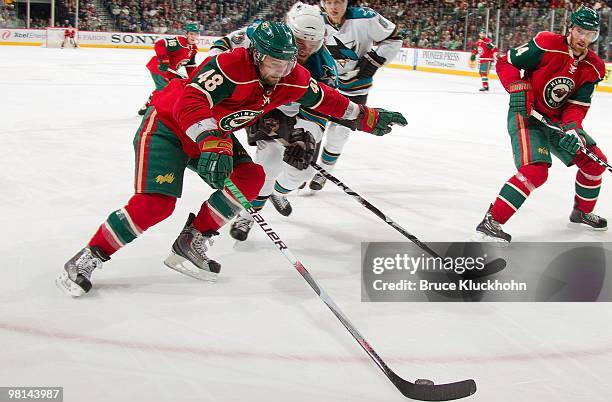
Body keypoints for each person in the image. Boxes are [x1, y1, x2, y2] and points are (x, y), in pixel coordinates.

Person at [56, 21, 407, 297]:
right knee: (156, 204)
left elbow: (327, 100)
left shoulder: (293, 77)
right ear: (256, 54)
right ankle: (87, 258)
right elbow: (188, 102)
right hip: (168, 128)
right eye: (274, 62)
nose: (282, 70)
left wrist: (368, 117)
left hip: (211, 137)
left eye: (288, 63)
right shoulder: (230, 65)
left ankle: (191, 241)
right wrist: (210, 140)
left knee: (251, 177)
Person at [474, 6, 608, 245]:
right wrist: (518, 87)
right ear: (570, 28)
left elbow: (577, 104)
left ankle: (581, 212)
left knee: (594, 164)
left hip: (557, 123)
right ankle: (492, 220)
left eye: (590, 34)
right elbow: (506, 62)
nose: (583, 38)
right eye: (579, 31)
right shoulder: (546, 44)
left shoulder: (594, 66)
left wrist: (573, 128)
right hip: (527, 115)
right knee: (536, 170)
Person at [211, 3, 339, 241]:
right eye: (301, 42)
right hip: (263, 105)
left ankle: (275, 191)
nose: (306, 49)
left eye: (314, 43)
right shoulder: (266, 34)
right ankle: (247, 216)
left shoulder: (325, 68)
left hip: (296, 114)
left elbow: (321, 111)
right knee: (268, 164)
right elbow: (222, 46)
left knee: (300, 174)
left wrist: (306, 135)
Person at [307, 0, 402, 191]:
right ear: (322, 3)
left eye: (339, 1)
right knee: (310, 127)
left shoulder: (366, 17)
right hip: (324, 85)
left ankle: (324, 171)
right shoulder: (313, 19)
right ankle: (302, 168)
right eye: (330, 2)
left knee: (339, 133)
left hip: (356, 88)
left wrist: (373, 61)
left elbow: (394, 38)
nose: (334, 7)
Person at [138, 23, 200, 115]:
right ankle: (157, 111)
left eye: (195, 34)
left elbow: (190, 65)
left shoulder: (193, 49)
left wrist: (194, 77)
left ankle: (147, 106)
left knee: (165, 88)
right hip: (159, 67)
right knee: (167, 90)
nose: (193, 36)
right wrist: (164, 59)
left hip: (170, 72)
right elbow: (160, 44)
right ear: (186, 34)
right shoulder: (180, 41)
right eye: (191, 34)